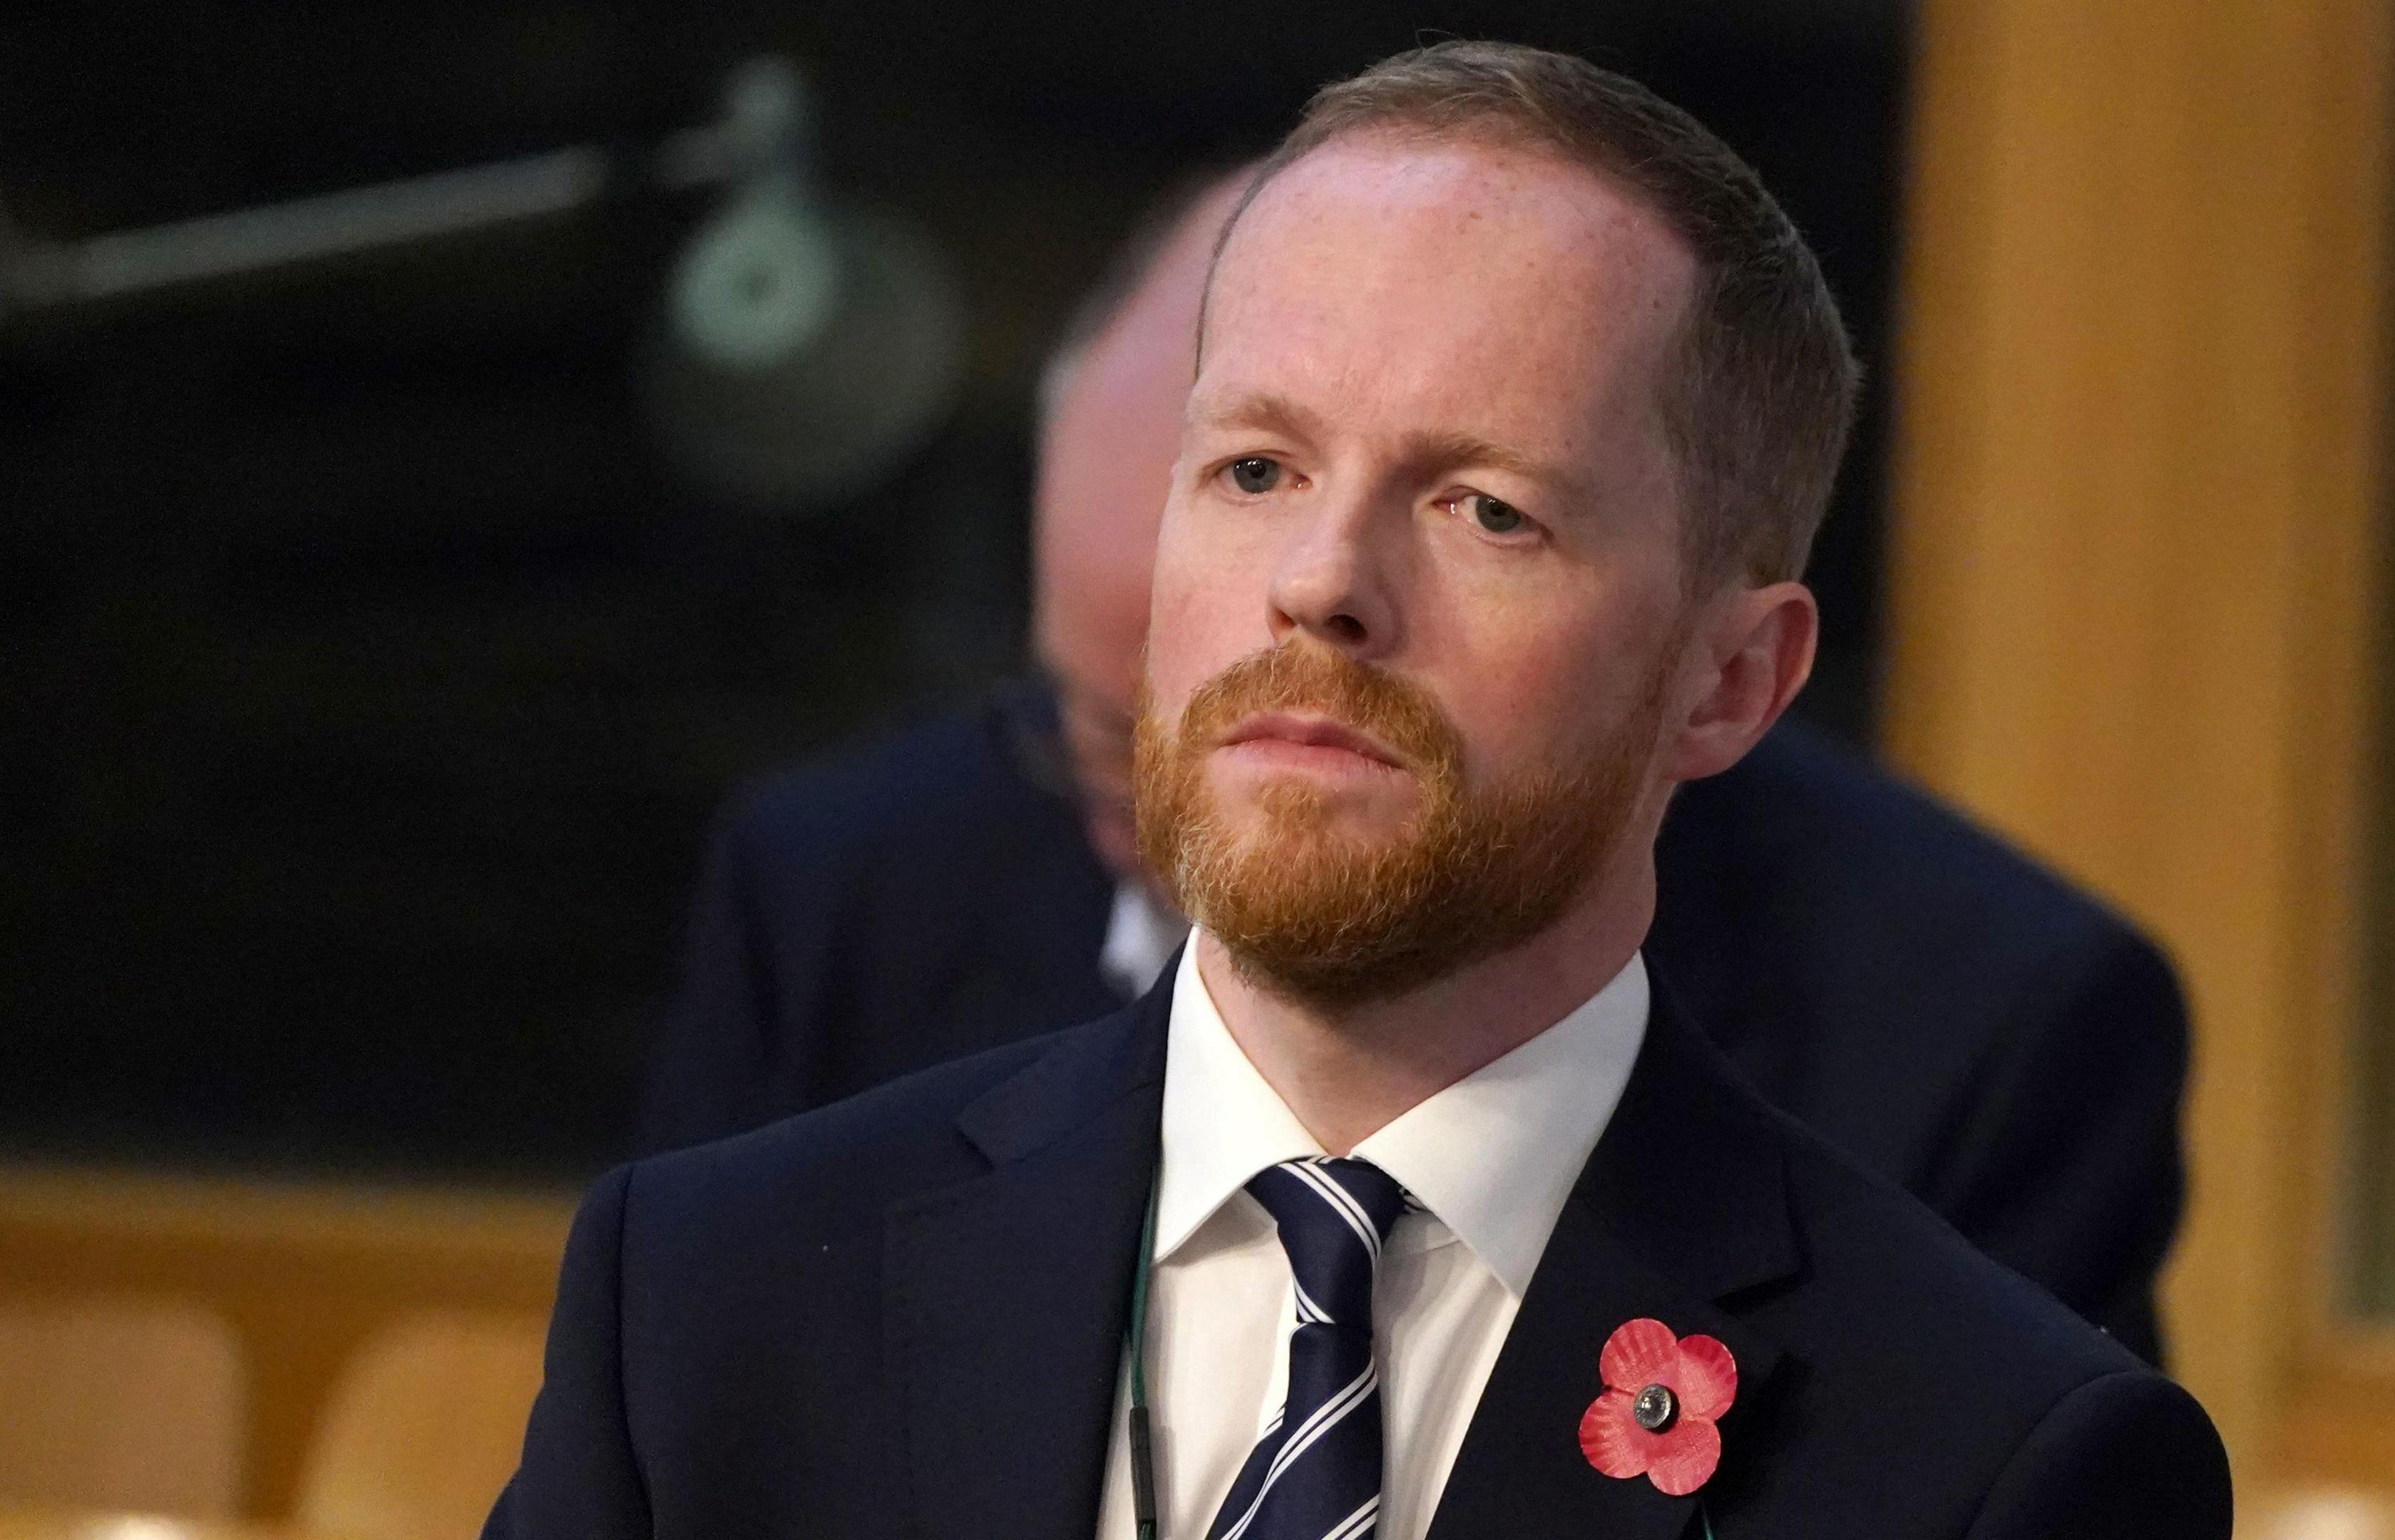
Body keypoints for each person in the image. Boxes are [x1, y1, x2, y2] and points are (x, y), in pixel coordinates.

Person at [497, 43, 2230, 1538]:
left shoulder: (2000, 1462)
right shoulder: (708, 1307)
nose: (1319, 582)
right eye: (1257, 467)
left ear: (1732, 680)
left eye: (1485, 508)